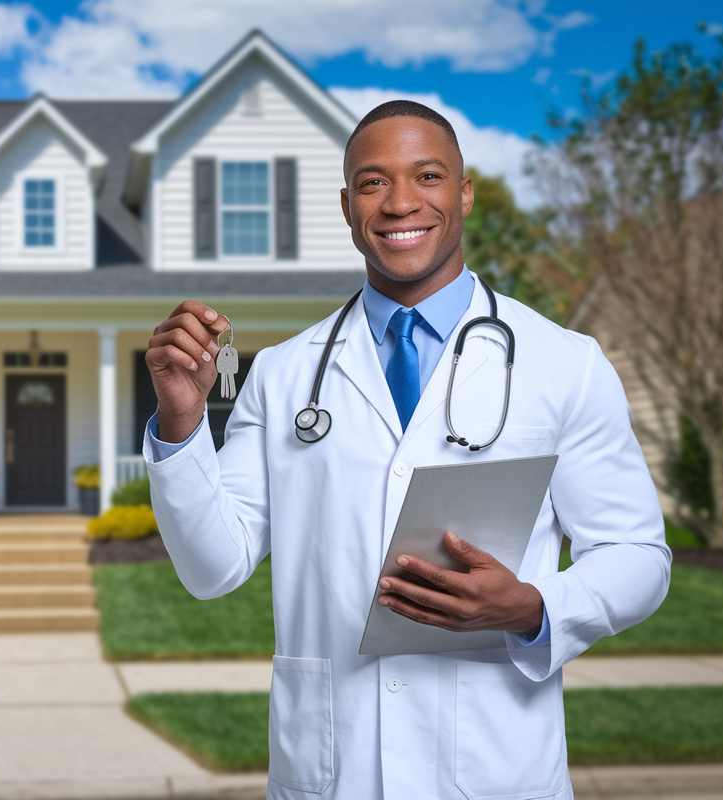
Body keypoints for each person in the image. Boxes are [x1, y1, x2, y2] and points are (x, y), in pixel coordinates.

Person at [142, 100, 670, 800]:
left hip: (496, 768)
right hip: (332, 770)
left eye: (427, 176)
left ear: (464, 192)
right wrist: (181, 421)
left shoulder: (564, 364)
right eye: (372, 182)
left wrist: (533, 606)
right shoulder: (283, 374)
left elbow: (638, 558)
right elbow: (213, 567)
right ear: (346, 204)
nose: (399, 203)